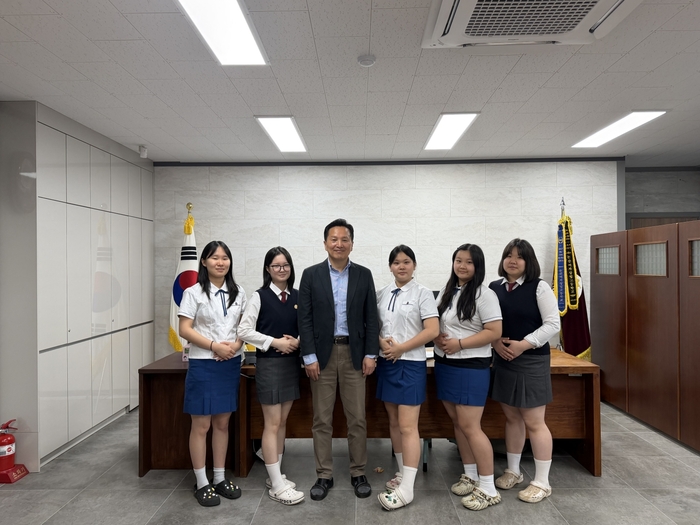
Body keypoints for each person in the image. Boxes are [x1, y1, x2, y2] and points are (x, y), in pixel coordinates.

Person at [298, 218, 380, 501]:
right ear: (325, 243)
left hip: (354, 355)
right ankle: (324, 474)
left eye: (344, 239)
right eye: (334, 239)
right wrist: (309, 356)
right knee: (321, 419)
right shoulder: (311, 275)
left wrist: (371, 354)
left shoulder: (364, 275)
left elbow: (372, 317)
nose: (339, 244)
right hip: (321, 356)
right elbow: (304, 319)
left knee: (357, 418)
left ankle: (358, 472)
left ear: (352, 244)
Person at [489, 239, 560, 503]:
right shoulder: (494, 287)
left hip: (530, 360)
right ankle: (514, 471)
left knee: (534, 421)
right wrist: (495, 343)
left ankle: (542, 482)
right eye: (508, 255)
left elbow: (553, 324)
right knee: (512, 418)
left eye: (519, 256)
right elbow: (488, 322)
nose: (513, 260)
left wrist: (523, 345)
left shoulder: (539, 287)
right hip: (503, 359)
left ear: (528, 262)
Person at [433, 243, 503, 511]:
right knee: (458, 423)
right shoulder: (448, 291)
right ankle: (470, 474)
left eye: (469, 262)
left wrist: (460, 344)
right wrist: (437, 337)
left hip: (470, 366)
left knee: (471, 426)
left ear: (478, 266)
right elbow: (437, 322)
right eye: (458, 261)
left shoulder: (485, 295)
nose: (462, 266)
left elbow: (494, 331)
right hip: (445, 364)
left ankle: (488, 487)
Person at [178, 241, 246, 507]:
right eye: (215, 257)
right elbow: (185, 329)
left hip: (230, 364)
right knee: (202, 425)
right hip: (203, 364)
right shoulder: (193, 292)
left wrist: (236, 346)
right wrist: (214, 346)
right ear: (204, 262)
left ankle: (219, 478)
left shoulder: (238, 292)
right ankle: (202, 482)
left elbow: (243, 327)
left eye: (225, 257)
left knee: (222, 424)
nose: (220, 262)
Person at [239, 246, 305, 506]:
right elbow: (244, 330)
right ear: (268, 269)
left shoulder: (297, 296)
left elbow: (305, 328)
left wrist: (297, 342)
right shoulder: (259, 296)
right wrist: (274, 342)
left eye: (285, 265)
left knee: (283, 422)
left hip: (291, 365)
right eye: (276, 265)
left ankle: (275, 475)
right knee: (272, 423)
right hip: (269, 365)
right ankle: (277, 485)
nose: (282, 269)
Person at [375, 245, 439, 511]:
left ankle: (408, 489)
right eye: (396, 262)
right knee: (393, 422)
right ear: (390, 266)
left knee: (408, 426)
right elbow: (373, 326)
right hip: (386, 363)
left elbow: (432, 330)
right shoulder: (382, 293)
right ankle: (402, 473)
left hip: (410, 364)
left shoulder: (423, 293)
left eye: (406, 262)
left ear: (414, 265)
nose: (401, 266)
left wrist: (402, 348)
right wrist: (381, 342)